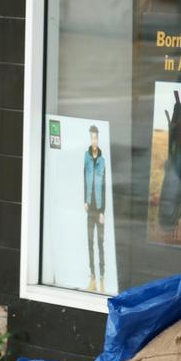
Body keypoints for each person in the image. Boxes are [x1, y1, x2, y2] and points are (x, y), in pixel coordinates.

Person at [84, 124, 106, 293]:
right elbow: (84, 178)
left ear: (98, 139)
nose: (94, 140)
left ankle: (102, 277)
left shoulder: (102, 160)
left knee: (100, 243)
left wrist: (102, 211)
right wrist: (85, 199)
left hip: (98, 209)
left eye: (95, 137)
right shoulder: (86, 157)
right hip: (89, 207)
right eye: (91, 137)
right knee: (90, 243)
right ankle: (92, 277)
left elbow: (104, 186)